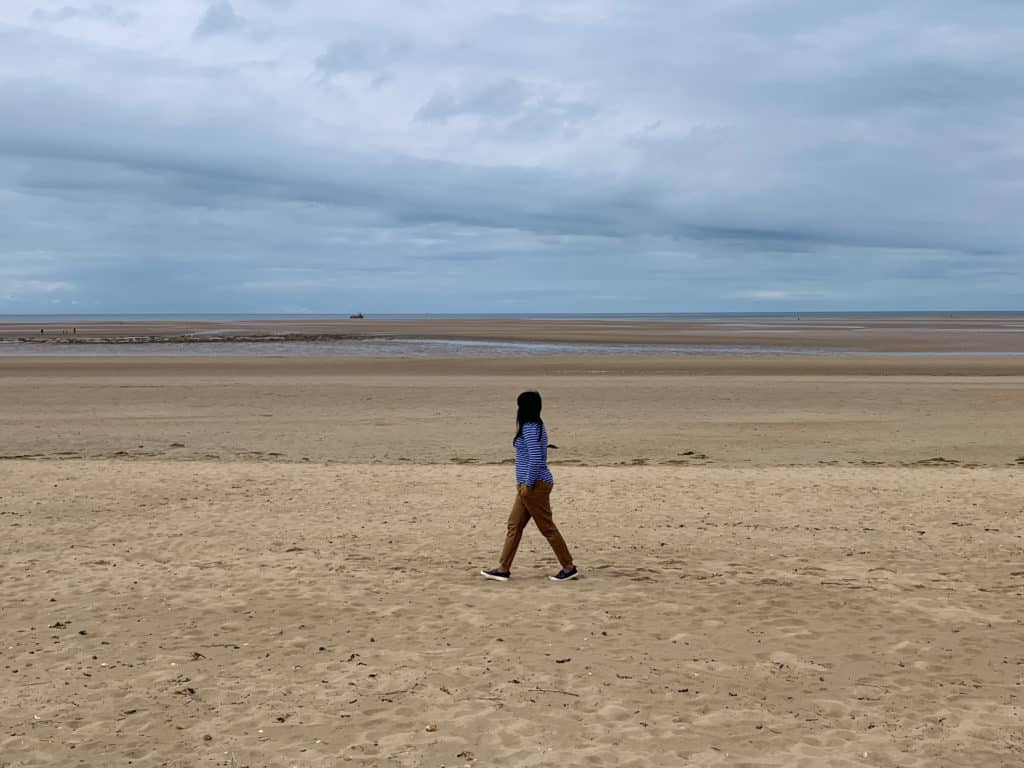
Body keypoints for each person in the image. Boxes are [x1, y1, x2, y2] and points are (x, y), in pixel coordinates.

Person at [481, 391, 578, 582]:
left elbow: (534, 458)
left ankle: (568, 567)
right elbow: (535, 451)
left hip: (534, 485)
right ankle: (503, 568)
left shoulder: (530, 427)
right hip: (528, 485)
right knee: (514, 525)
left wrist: (527, 484)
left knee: (547, 527)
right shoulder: (535, 426)